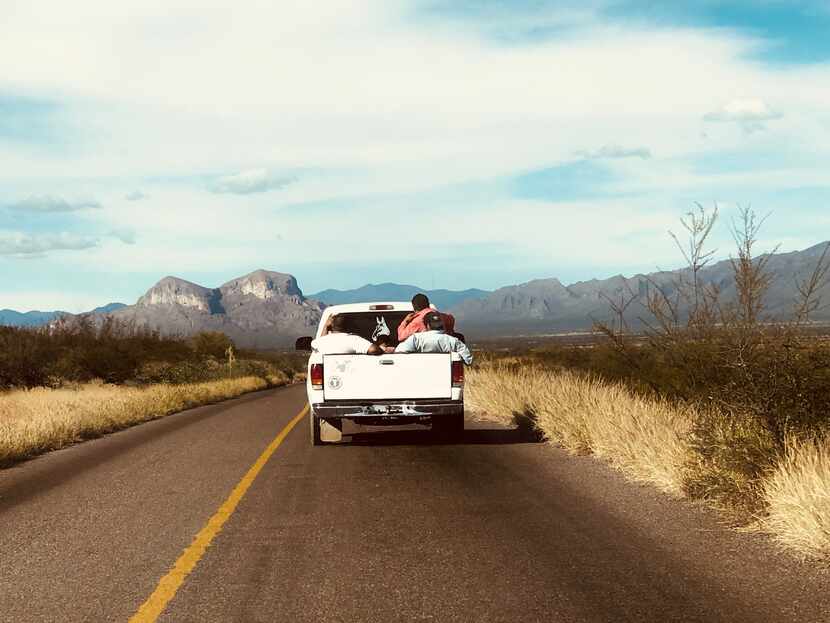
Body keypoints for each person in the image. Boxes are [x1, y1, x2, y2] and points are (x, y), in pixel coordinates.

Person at [395, 312, 472, 365]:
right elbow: (468, 360)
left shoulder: (416, 339)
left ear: (427, 325)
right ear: (441, 324)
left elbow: (398, 353)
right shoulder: (453, 341)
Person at [311, 314, 383, 355]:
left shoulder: (317, 343)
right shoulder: (354, 340)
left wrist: (326, 327)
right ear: (348, 327)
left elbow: (321, 341)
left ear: (331, 326)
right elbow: (373, 349)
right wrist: (382, 350)